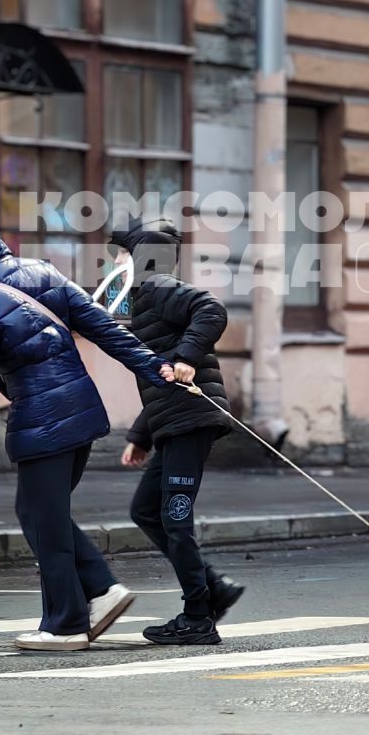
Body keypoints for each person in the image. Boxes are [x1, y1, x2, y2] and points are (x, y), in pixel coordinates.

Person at [0, 199, 175, 653]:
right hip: (80, 416)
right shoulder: (43, 272)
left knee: (46, 522)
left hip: (43, 423)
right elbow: (106, 330)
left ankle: (68, 622)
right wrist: (156, 367)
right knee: (39, 515)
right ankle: (97, 591)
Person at [111, 219, 244, 646]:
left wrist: (188, 355)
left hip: (191, 420)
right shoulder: (142, 300)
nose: (114, 262)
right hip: (173, 421)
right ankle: (213, 589)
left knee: (175, 516)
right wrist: (140, 435)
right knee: (146, 510)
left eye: (120, 254)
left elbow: (211, 310)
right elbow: (157, 381)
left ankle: (197, 616)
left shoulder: (159, 288)